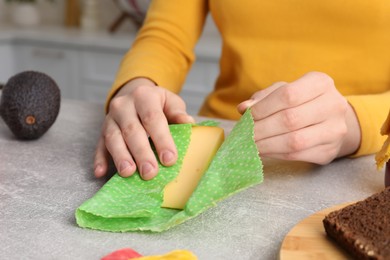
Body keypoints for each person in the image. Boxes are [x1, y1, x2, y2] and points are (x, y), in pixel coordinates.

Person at [94, 1, 390, 180]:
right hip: (221, 149)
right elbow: (164, 37)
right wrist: (138, 86)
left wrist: (354, 123)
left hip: (363, 165)